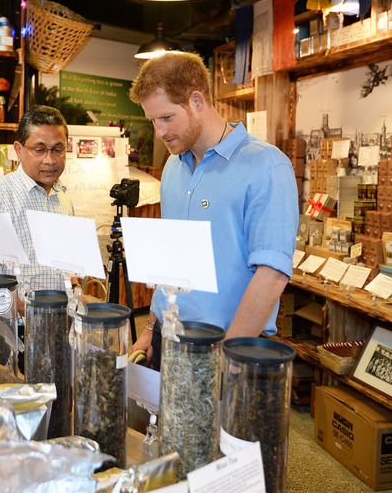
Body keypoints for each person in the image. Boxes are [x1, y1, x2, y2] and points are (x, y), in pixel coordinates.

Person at [128, 51, 299, 369]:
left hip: (228, 347)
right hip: (168, 338)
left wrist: (228, 358)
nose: (159, 132)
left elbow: (272, 274)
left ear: (196, 101)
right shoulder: (172, 168)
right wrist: (150, 330)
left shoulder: (267, 165)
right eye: (152, 120)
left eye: (166, 118)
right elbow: (170, 263)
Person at [0, 105, 75, 292]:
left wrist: (76, 290)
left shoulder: (63, 198)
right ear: (19, 150)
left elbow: (68, 259)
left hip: (61, 315)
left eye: (57, 150)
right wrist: (29, 312)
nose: (50, 160)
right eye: (40, 150)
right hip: (17, 319)